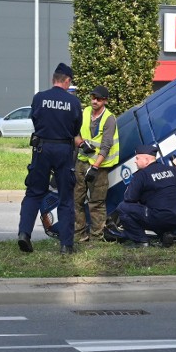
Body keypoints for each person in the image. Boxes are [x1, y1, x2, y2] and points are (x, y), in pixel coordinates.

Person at [17, 63, 82, 254]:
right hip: (63, 150)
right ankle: (66, 245)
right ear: (67, 81)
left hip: (42, 148)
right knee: (65, 197)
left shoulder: (40, 98)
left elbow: (35, 120)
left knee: (34, 193)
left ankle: (24, 234)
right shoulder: (73, 102)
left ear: (53, 79)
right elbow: (75, 128)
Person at [114, 144, 176, 248]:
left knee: (123, 208)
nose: (135, 161)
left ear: (146, 160)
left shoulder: (141, 175)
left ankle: (141, 241)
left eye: (137, 158)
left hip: (159, 218)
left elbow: (129, 198)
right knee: (154, 210)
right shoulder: (171, 170)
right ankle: (164, 234)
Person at [74, 85, 119, 241]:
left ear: (105, 101)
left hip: (99, 168)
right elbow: (74, 131)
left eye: (98, 99)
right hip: (82, 161)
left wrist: (95, 167)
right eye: (93, 97)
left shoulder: (109, 118)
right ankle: (79, 235)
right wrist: (80, 143)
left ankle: (96, 237)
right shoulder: (85, 112)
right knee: (76, 199)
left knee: (97, 203)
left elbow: (106, 146)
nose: (94, 101)